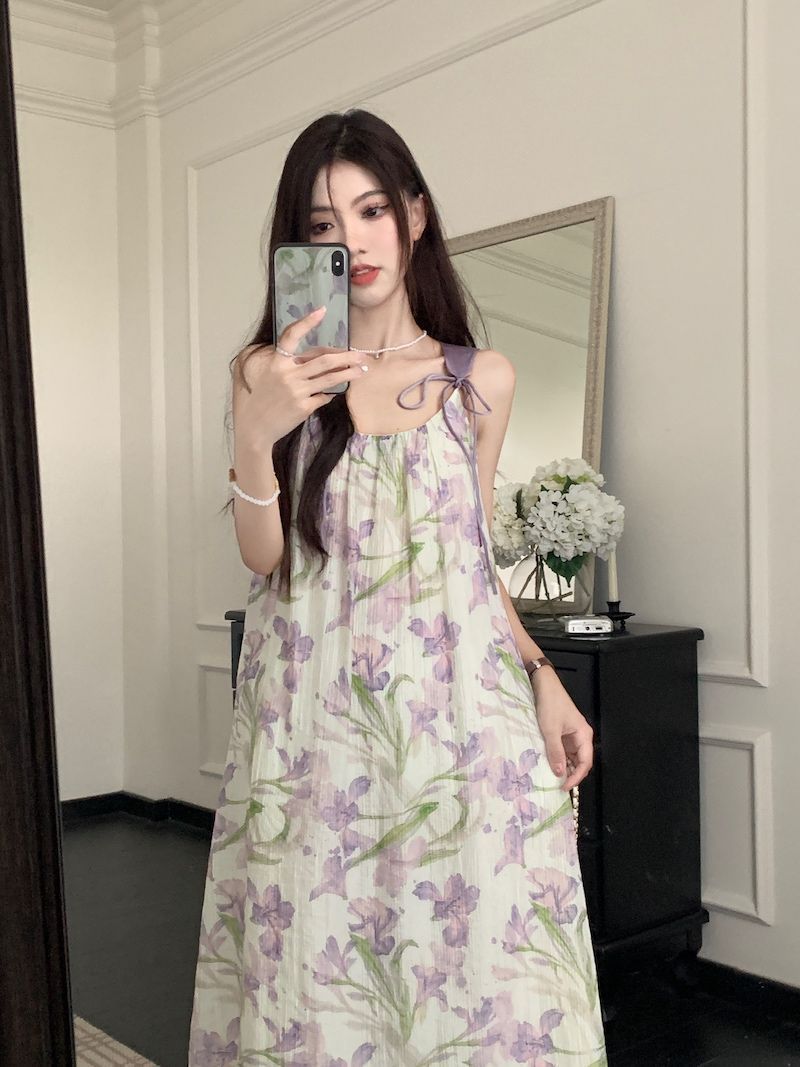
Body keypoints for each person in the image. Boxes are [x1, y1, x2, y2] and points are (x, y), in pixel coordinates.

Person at [188, 108, 607, 1067]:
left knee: (479, 972)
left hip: (460, 724)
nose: (356, 240)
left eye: (372, 210)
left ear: (414, 215)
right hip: (312, 727)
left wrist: (542, 674)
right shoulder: (268, 374)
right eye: (325, 224)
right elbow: (264, 557)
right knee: (317, 975)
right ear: (302, 247)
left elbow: (471, 562)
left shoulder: (480, 380)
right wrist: (256, 431)